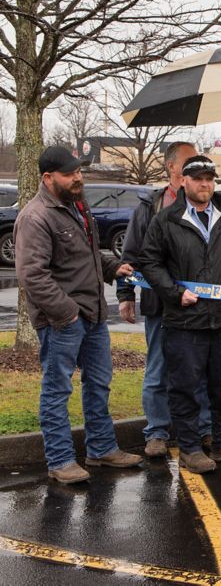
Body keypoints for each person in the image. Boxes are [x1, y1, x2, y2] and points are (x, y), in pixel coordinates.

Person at [15, 146, 142, 484]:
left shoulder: (79, 207)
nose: (78, 177)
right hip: (63, 321)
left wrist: (114, 268)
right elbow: (32, 276)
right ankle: (60, 461)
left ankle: (101, 449)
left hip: (94, 315)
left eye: (79, 171)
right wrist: (67, 313)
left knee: (98, 384)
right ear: (48, 177)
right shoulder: (36, 216)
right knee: (57, 391)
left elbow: (89, 255)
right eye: (70, 173)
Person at [138, 155, 221, 474]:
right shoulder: (165, 219)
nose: (205, 184)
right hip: (184, 320)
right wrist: (175, 293)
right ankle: (190, 448)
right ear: (183, 182)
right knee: (185, 385)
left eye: (209, 178)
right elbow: (149, 263)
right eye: (198, 178)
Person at [117, 141, 214, 457]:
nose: (196, 165)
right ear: (172, 167)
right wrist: (125, 295)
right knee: (158, 368)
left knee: (198, 369)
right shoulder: (150, 206)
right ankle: (156, 433)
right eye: (188, 160)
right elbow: (131, 255)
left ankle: (203, 429)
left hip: (199, 305)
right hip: (161, 304)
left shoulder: (208, 204)